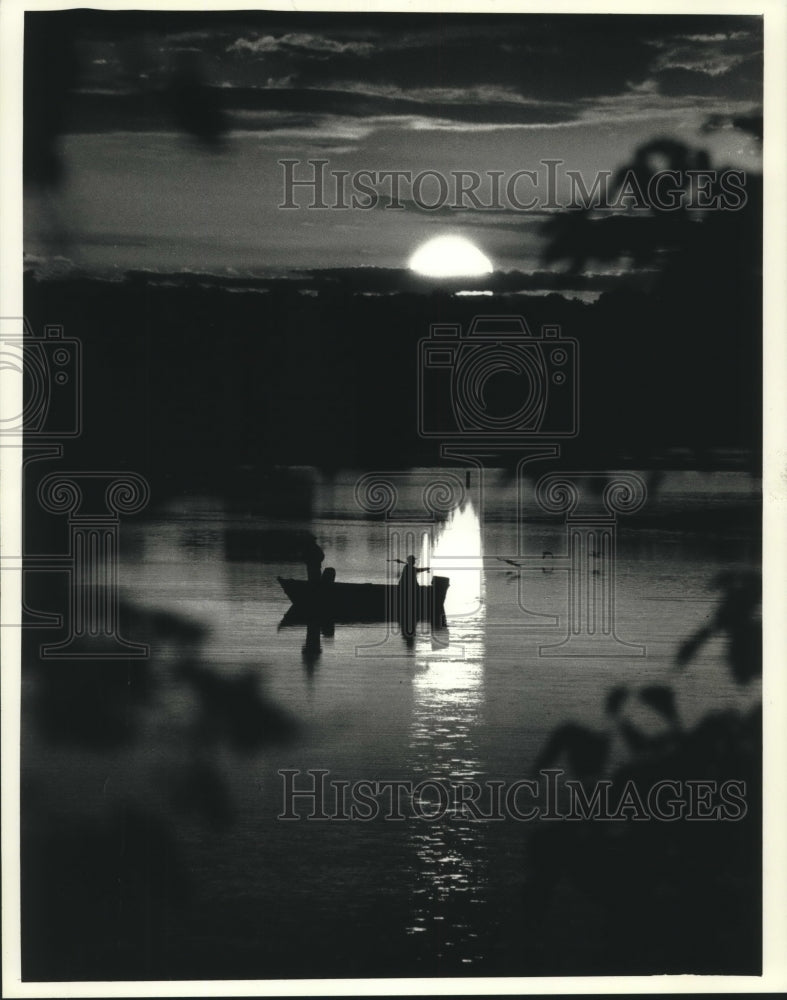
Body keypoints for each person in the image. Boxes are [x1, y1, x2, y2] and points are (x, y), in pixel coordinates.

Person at [396, 556, 430, 636]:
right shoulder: (408, 568)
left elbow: (416, 570)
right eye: (414, 560)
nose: (415, 561)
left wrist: (425, 569)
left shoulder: (408, 567)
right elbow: (417, 570)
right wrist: (426, 569)